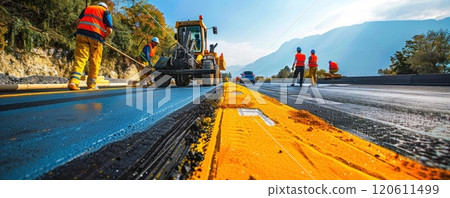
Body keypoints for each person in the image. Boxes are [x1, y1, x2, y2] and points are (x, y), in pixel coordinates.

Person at [68, 2, 113, 90]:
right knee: (95, 61)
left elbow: (77, 21)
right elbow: (109, 30)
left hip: (81, 34)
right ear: (106, 7)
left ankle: (73, 82)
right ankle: (91, 85)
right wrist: (103, 37)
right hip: (96, 37)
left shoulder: (87, 8)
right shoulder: (105, 12)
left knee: (80, 58)